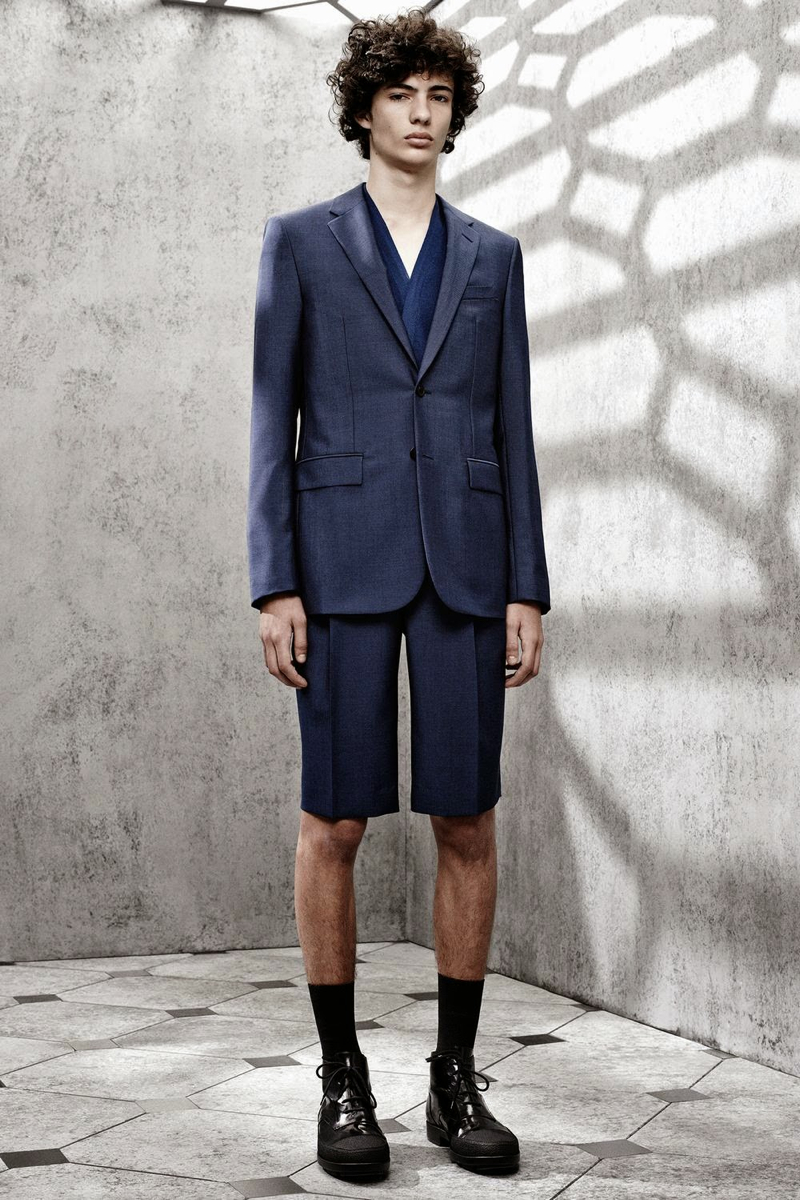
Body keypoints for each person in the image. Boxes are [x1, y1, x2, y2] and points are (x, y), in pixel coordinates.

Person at [246, 7, 550, 1181]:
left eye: (438, 96)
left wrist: (525, 585)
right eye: (400, 94)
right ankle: (341, 1081)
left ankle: (452, 1077)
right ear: (362, 109)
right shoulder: (299, 242)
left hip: (467, 566)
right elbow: (270, 418)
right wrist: (275, 581)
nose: (421, 114)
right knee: (334, 821)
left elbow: (509, 426)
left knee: (465, 817)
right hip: (338, 562)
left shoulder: (493, 256)